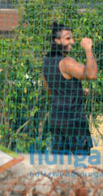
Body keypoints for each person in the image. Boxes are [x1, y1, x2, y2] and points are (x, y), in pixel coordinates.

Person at [42, 22, 98, 156]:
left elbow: (50, 89)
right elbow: (92, 74)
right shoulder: (66, 62)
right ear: (57, 40)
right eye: (68, 38)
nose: (72, 42)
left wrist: (76, 92)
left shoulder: (46, 62)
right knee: (81, 166)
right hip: (74, 122)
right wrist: (88, 49)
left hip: (57, 122)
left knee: (60, 166)